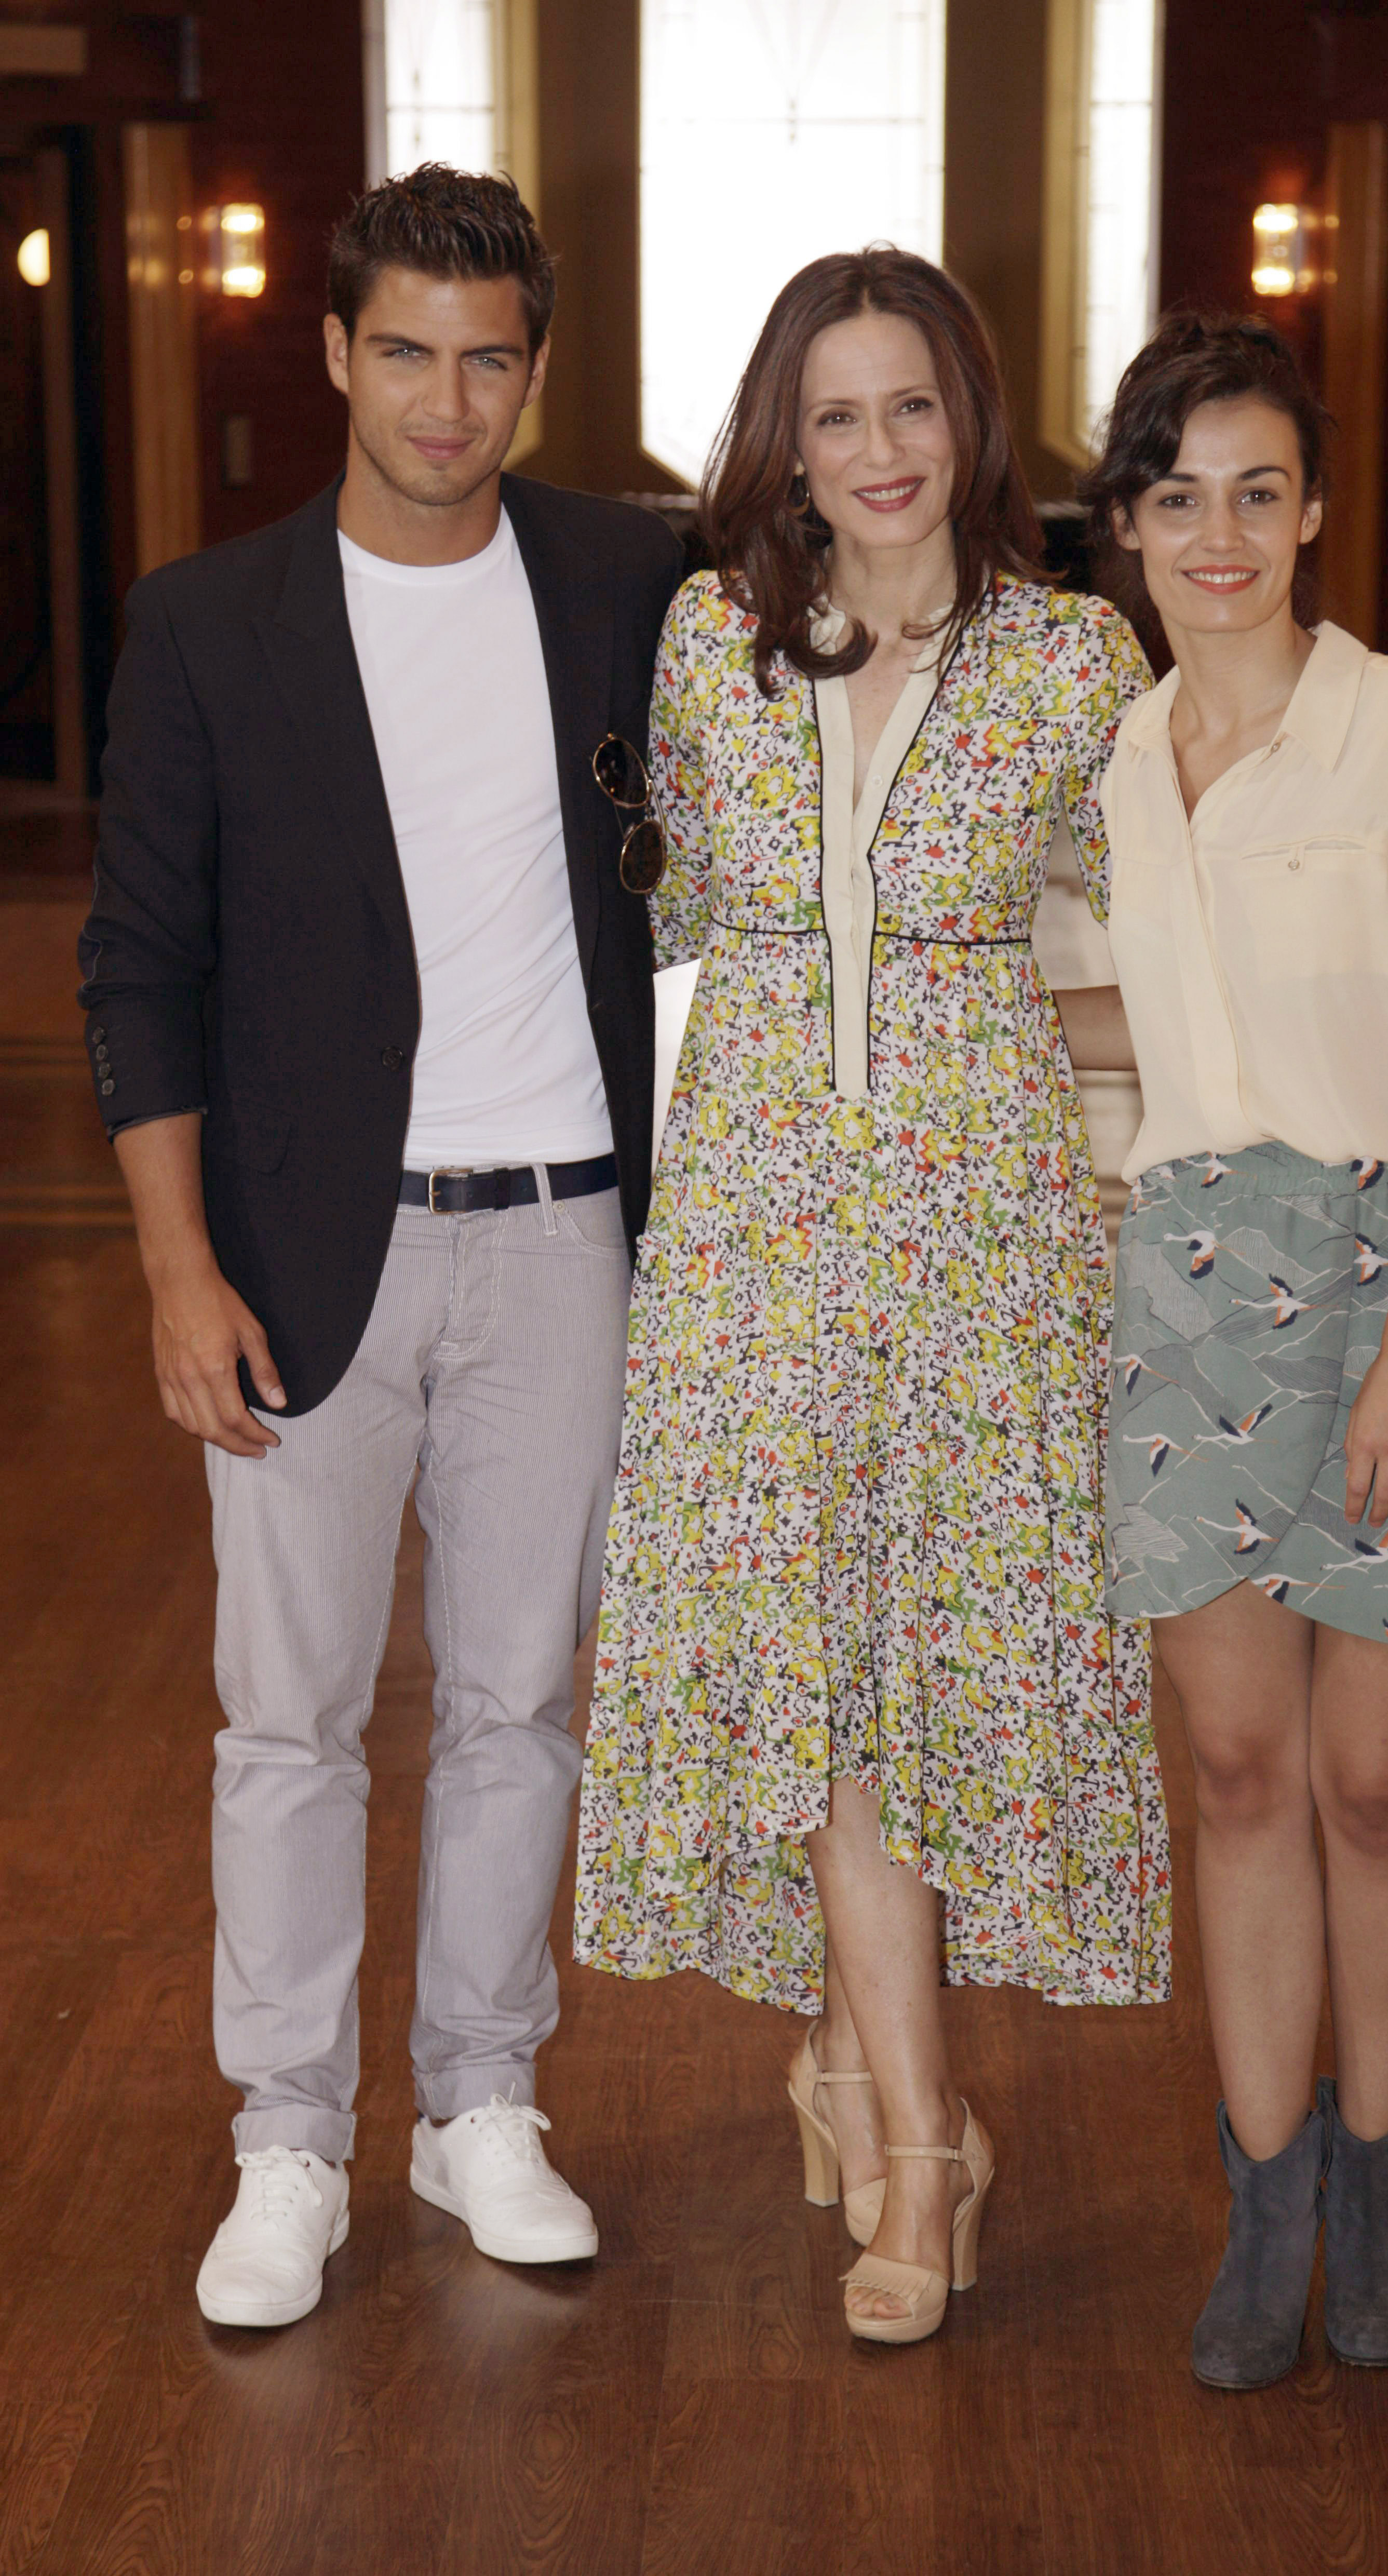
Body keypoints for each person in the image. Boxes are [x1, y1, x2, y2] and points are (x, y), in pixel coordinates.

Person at [77, 165, 681, 2329]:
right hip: (300, 1251)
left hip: (563, 1236)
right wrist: (172, 1264)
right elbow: (140, 964)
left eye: (488, 357)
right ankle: (288, 2138)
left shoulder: (629, 576)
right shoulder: (210, 619)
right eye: (405, 351)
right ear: (334, 352)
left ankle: (478, 2106)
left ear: (536, 369)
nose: (446, 399)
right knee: (290, 1717)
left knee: (524, 1695)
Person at [573, 248, 1170, 2347]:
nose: (877, 454)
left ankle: (855, 2067)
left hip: (985, 1247)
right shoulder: (709, 643)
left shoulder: (1072, 663)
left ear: (968, 418)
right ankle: (922, 2154)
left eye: (908, 407)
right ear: (782, 441)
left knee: (918, 1677)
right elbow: (682, 951)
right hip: (754, 1242)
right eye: (833, 416)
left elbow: (1121, 975)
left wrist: (1130, 1215)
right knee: (816, 1686)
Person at [1086, 312, 1388, 2388]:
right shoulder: (1110, 760)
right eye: (1176, 496)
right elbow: (1121, 1039)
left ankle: (1379, 2166)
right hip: (1183, 1285)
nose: (1220, 532)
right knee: (1242, 1770)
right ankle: (1266, 2203)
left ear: (1312, 509)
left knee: (1368, 1778)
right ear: (1126, 527)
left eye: (1256, 491)